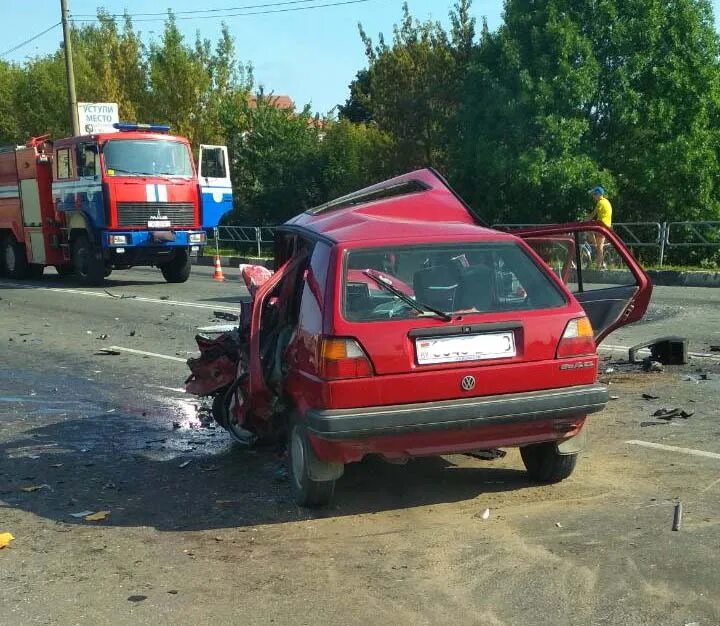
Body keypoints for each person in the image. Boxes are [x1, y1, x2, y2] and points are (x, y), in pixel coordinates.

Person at [587, 186, 613, 268]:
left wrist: (584, 221)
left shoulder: (600, 203)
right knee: (599, 246)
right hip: (606, 226)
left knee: (599, 246)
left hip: (601, 227)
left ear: (598, 194)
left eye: (594, 194)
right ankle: (599, 261)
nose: (593, 196)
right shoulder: (607, 201)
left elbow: (593, 214)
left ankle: (598, 265)